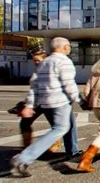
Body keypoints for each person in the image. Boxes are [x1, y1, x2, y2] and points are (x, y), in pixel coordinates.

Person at [11, 37, 82, 178]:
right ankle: (23, 158)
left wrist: (29, 105)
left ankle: (26, 157)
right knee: (61, 128)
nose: (69, 49)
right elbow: (69, 84)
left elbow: (34, 86)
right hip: (59, 102)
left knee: (61, 128)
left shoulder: (45, 63)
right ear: (65, 47)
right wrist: (80, 100)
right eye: (68, 46)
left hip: (45, 102)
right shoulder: (64, 61)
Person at [18, 48, 62, 152]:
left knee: (56, 125)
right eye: (34, 61)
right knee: (24, 123)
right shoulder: (36, 72)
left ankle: (56, 143)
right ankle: (27, 145)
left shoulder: (52, 71)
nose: (36, 63)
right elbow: (33, 90)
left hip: (49, 103)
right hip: (36, 104)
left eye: (38, 60)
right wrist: (26, 104)